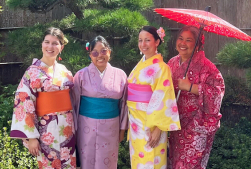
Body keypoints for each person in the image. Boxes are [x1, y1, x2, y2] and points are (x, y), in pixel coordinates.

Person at [10, 27, 76, 169]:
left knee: (68, 164)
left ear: (61, 47)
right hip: (46, 129)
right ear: (42, 44)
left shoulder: (64, 71)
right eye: (47, 42)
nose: (50, 46)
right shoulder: (32, 72)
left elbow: (74, 98)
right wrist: (31, 137)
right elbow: (24, 103)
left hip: (67, 127)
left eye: (55, 43)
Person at [167, 25, 225, 169]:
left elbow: (217, 92)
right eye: (180, 38)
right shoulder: (172, 63)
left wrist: (190, 87)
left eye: (189, 40)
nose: (183, 43)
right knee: (174, 164)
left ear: (198, 44)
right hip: (176, 124)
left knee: (189, 165)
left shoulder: (208, 67)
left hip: (197, 126)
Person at [127, 26, 181, 169]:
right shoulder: (139, 65)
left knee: (153, 160)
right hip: (135, 122)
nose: (143, 44)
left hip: (152, 124)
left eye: (147, 40)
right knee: (138, 161)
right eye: (140, 40)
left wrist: (159, 128)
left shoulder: (162, 68)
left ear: (157, 42)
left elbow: (165, 98)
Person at [73, 35, 128, 169]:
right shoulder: (81, 75)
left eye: (103, 51)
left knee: (108, 160)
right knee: (87, 160)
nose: (100, 56)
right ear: (90, 55)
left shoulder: (120, 75)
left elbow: (124, 104)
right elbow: (74, 104)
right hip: (86, 125)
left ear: (109, 51)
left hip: (111, 126)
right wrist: (73, 129)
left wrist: (122, 129)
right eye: (95, 53)